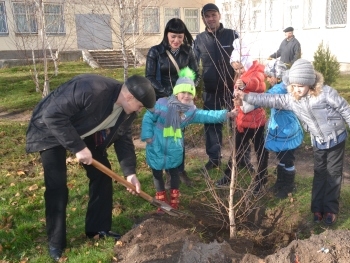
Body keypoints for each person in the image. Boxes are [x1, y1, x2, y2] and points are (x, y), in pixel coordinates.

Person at [25, 74, 156, 261]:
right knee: (57, 186)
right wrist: (78, 148)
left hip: (81, 129)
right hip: (47, 129)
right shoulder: (92, 89)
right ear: (129, 97)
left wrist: (130, 174)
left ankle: (97, 228)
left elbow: (124, 141)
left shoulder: (127, 112)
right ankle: (56, 243)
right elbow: (52, 115)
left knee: (102, 174)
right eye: (141, 105)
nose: (140, 110)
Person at [235, 58, 350, 225]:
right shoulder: (292, 98)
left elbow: (345, 109)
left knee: (333, 173)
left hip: (335, 137)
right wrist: (245, 96)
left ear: (310, 83)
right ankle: (317, 209)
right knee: (319, 173)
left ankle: (331, 209)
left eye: (301, 86)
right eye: (294, 86)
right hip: (318, 140)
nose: (297, 90)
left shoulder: (326, 94)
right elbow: (269, 100)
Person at [141, 67, 237, 211]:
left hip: (174, 147)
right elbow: (148, 117)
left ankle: (174, 202)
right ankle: (161, 202)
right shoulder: (162, 103)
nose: (186, 96)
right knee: (157, 174)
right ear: (177, 92)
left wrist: (226, 114)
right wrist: (148, 136)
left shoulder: (191, 112)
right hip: (156, 145)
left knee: (174, 173)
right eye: (183, 92)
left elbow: (207, 115)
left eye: (189, 93)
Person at [145, 18, 200, 187]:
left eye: (180, 37)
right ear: (166, 35)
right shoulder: (155, 52)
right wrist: (169, 94)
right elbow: (150, 77)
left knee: (178, 137)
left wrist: (188, 92)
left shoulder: (188, 51)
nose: (176, 41)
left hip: (181, 102)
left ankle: (178, 170)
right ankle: (165, 171)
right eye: (173, 36)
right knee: (163, 136)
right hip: (161, 100)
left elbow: (196, 74)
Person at [215, 39, 269, 193]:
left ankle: (261, 178)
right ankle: (228, 176)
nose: (237, 71)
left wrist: (245, 85)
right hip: (242, 121)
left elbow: (258, 84)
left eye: (239, 67)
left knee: (261, 151)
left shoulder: (255, 72)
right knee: (237, 151)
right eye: (235, 69)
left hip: (256, 121)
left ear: (244, 61)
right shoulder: (242, 75)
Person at [193, 3, 240, 170]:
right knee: (211, 124)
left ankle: (240, 158)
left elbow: (243, 59)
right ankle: (214, 159)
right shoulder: (199, 40)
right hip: (210, 91)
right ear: (203, 19)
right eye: (207, 16)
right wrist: (190, 86)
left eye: (213, 15)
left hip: (231, 90)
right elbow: (193, 65)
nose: (210, 19)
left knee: (237, 123)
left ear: (219, 16)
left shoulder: (232, 35)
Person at [263, 59, 304, 199]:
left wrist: (252, 99)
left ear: (278, 75)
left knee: (288, 158)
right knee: (281, 155)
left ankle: (288, 186)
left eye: (269, 76)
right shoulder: (281, 86)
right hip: (280, 128)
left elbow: (270, 95)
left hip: (287, 130)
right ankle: (280, 182)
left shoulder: (283, 88)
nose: (268, 79)